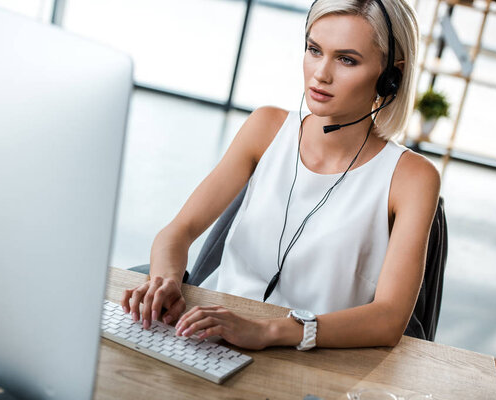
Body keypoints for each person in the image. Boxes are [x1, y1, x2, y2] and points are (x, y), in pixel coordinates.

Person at [121, 0, 440, 351]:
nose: (321, 73)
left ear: (391, 74)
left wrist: (268, 331)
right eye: (314, 50)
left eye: (346, 59)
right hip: (207, 333)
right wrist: (165, 280)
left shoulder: (412, 177)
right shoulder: (266, 127)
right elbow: (177, 231)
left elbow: (389, 319)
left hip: (314, 357)